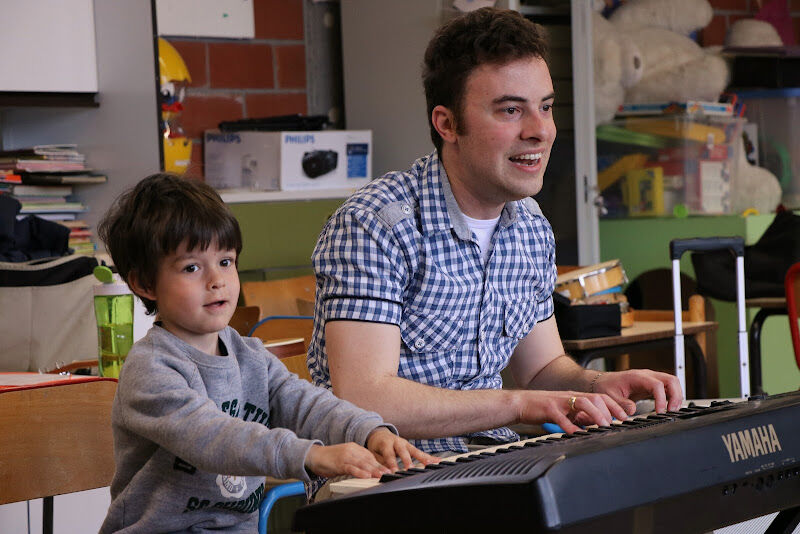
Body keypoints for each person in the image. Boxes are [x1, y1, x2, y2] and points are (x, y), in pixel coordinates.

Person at [308, 8, 683, 455]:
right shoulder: (375, 224)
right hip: (387, 479)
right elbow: (365, 398)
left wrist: (599, 384)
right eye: (511, 110)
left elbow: (542, 369)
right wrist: (519, 405)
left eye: (545, 107)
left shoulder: (530, 226)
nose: (540, 131)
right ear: (446, 124)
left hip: (491, 461)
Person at [96, 174, 435, 532]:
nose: (217, 280)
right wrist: (311, 455)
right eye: (191, 267)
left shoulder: (250, 356)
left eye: (225, 261)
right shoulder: (150, 368)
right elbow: (215, 437)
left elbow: (305, 402)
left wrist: (368, 430)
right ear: (144, 284)